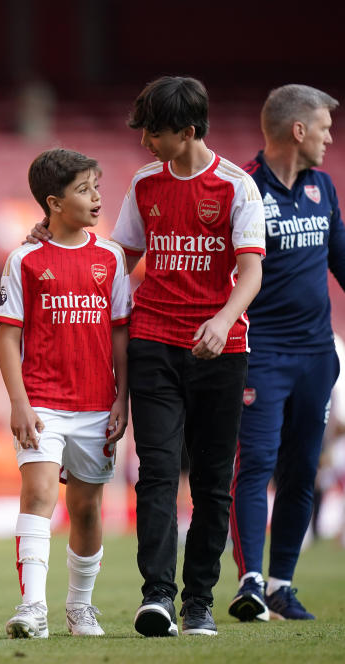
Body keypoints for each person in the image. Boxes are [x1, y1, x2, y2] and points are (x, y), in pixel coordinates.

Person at [30, 76, 265, 637]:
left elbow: (251, 270)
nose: (144, 143)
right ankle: (157, 595)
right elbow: (119, 256)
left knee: (210, 480)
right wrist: (56, 234)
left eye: (153, 134)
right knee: (156, 472)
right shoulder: (143, 185)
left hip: (220, 347)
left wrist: (223, 318)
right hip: (154, 341)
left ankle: (200, 602)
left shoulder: (237, 187)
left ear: (186, 132)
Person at [0, 149, 131, 639]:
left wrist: (123, 398)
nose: (96, 197)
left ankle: (80, 607)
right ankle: (32, 607)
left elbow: (120, 334)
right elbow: (8, 336)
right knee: (39, 493)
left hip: (97, 405)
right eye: (84, 189)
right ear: (53, 202)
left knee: (88, 508)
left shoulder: (111, 258)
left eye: (97, 186)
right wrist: (18, 401)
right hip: (43, 403)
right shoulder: (25, 259)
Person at [227, 85, 344, 622]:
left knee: (301, 472)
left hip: (317, 356)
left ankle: (281, 585)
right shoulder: (244, 188)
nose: (328, 137)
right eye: (323, 127)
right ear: (298, 131)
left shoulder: (324, 187)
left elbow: (340, 259)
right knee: (256, 465)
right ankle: (250, 581)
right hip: (262, 352)